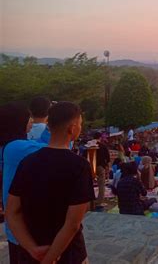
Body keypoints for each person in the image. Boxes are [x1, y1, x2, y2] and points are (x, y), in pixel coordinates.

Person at [6, 102, 95, 263]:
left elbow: (12, 213)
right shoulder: (79, 166)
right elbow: (72, 224)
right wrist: (50, 258)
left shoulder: (27, 162)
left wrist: (32, 248)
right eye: (80, 124)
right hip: (69, 253)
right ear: (72, 128)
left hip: (34, 251)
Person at [1, 102, 49, 262]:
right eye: (28, 118)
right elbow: (54, 150)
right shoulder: (16, 147)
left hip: (14, 227)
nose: (32, 121)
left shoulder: (8, 145)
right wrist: (55, 125)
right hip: (25, 225)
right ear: (17, 121)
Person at [95, 132, 111, 206]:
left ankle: (89, 201)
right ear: (100, 137)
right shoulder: (102, 146)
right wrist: (107, 167)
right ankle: (99, 202)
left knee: (88, 184)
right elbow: (107, 158)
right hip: (100, 166)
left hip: (89, 167)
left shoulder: (87, 146)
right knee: (101, 184)